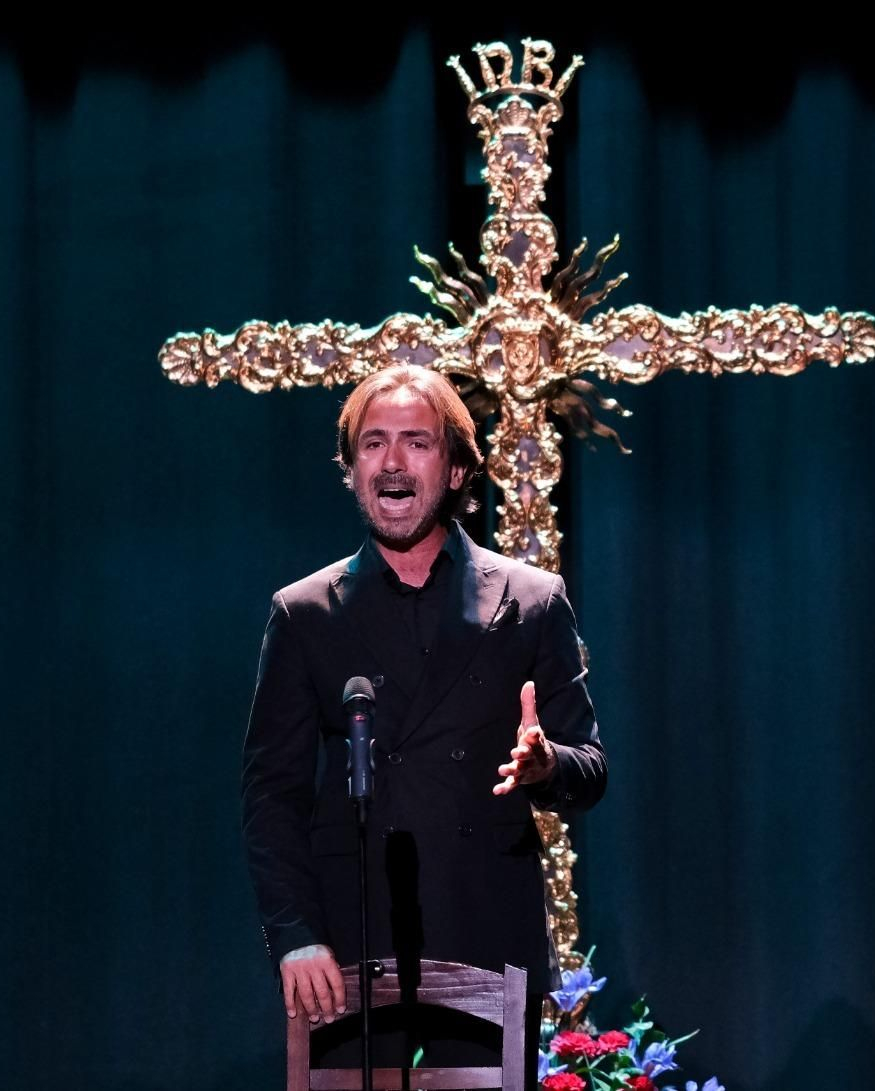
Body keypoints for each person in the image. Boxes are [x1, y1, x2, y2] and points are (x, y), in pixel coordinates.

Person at [242, 364, 606, 1077]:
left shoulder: (531, 601)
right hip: (350, 942)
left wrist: (545, 764)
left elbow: (589, 768)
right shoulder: (305, 612)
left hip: (483, 929)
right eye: (373, 444)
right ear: (351, 470)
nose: (393, 461)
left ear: (460, 467)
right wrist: (294, 934)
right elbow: (270, 795)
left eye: (417, 441)